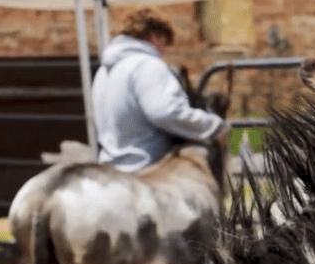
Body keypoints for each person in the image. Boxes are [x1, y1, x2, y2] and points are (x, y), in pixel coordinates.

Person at [92, 9, 230, 172]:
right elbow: (166, 112)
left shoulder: (105, 70)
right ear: (154, 37)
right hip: (146, 171)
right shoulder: (147, 65)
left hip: (109, 170)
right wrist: (213, 128)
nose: (163, 52)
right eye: (164, 43)